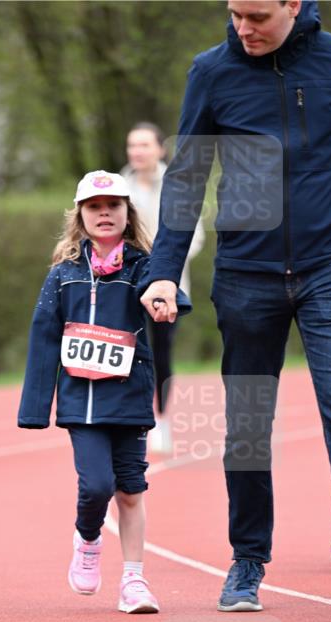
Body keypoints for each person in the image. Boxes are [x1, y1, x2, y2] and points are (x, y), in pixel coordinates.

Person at [140, 0, 331, 620]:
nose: (243, 28)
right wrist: (161, 273)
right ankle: (248, 561)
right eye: (235, 14)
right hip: (246, 273)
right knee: (247, 430)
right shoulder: (212, 72)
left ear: (293, 5)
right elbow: (186, 179)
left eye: (257, 15)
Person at [18, 170, 190, 613]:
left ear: (127, 213)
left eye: (113, 206)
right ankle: (89, 539)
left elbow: (166, 289)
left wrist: (168, 300)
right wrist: (36, 407)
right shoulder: (63, 275)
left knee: (131, 490)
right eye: (95, 208)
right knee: (97, 485)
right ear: (80, 216)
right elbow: (43, 336)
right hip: (81, 401)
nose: (105, 214)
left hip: (129, 397)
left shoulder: (142, 265)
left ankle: (134, 581)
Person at [121, 122, 205, 453]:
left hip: (168, 285)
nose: (137, 152)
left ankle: (161, 419)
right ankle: (131, 419)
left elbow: (194, 234)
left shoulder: (178, 184)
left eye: (143, 145)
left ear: (160, 149)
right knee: (128, 352)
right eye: (132, 146)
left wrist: (164, 265)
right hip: (127, 284)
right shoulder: (120, 188)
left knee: (160, 353)